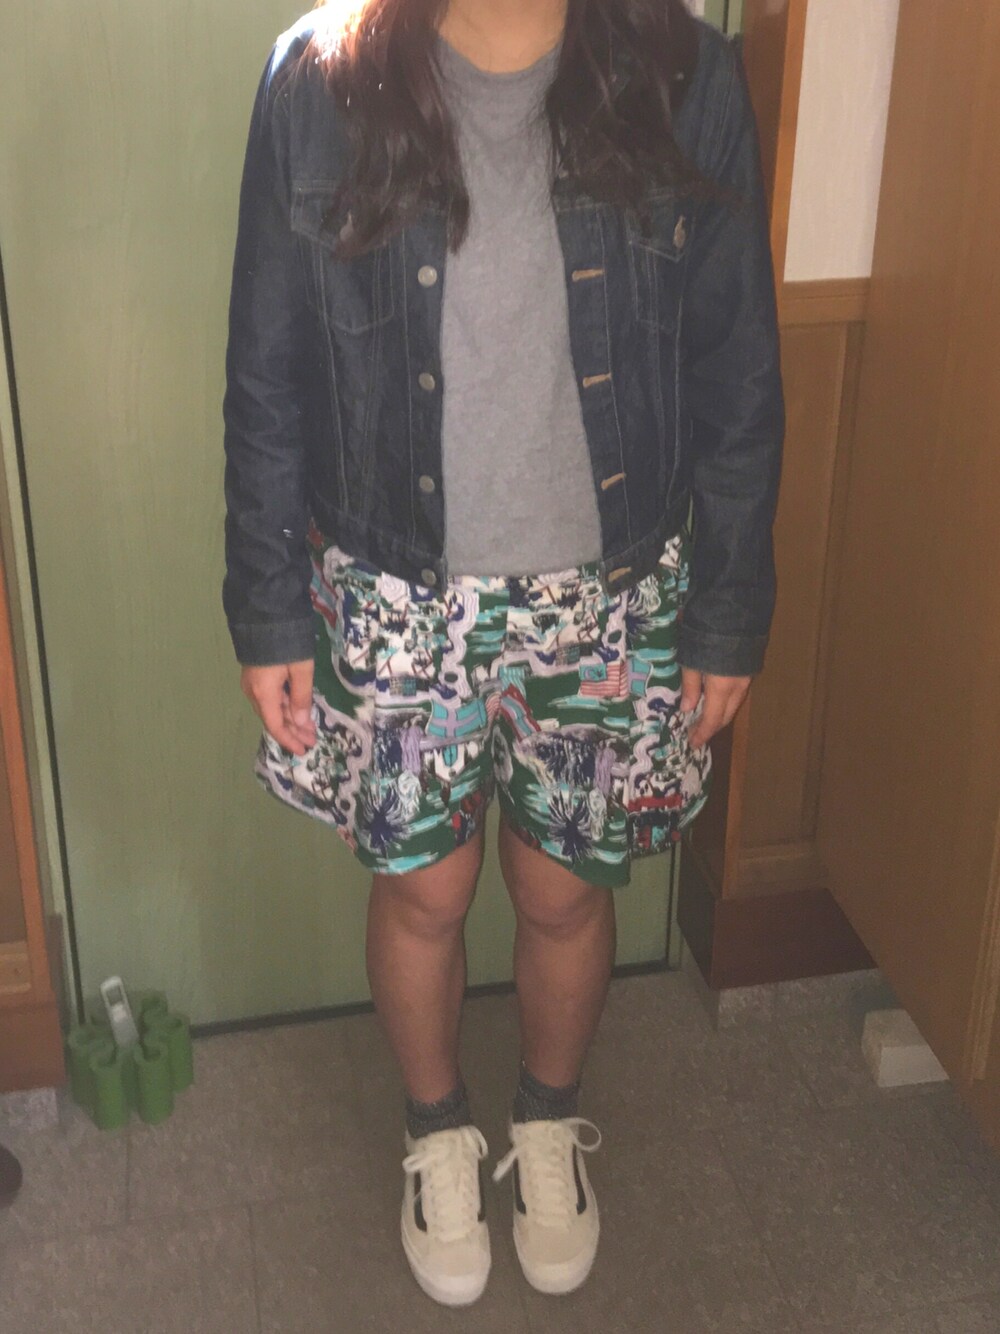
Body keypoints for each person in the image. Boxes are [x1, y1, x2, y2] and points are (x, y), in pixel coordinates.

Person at [223, 0, 783, 1307]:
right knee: (423, 892)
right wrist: (268, 605)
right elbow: (265, 370)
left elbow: (737, 365)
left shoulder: (684, 72)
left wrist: (728, 605)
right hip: (395, 592)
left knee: (564, 893)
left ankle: (545, 1118)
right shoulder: (317, 82)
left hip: (609, 595)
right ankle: (435, 1133)